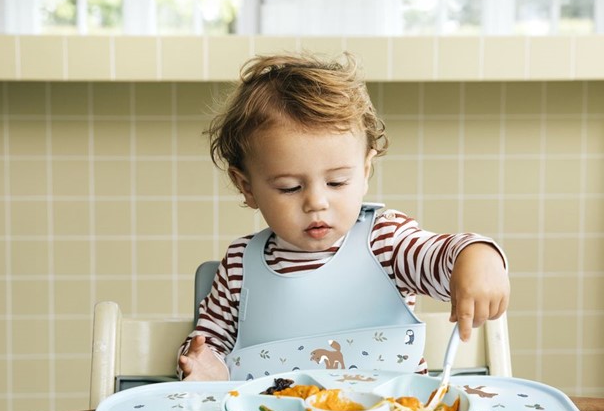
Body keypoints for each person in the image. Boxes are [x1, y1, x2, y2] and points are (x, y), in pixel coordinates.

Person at [178, 52, 509, 382]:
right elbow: (209, 346)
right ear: (247, 187)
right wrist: (204, 367)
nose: (316, 203)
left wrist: (477, 257)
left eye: (336, 182)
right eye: (290, 187)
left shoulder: (386, 243)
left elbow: (442, 258)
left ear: (364, 172)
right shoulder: (240, 265)